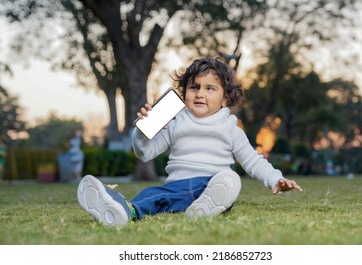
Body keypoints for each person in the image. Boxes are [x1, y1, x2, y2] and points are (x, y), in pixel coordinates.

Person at [77, 57, 303, 226]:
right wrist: (143, 131)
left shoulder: (231, 128)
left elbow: (253, 161)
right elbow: (145, 153)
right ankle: (124, 210)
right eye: (194, 87)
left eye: (209, 88)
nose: (200, 93)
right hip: (176, 188)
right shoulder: (174, 123)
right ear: (184, 92)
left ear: (225, 98)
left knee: (226, 181)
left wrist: (276, 179)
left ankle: (207, 204)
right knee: (153, 195)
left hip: (214, 185)